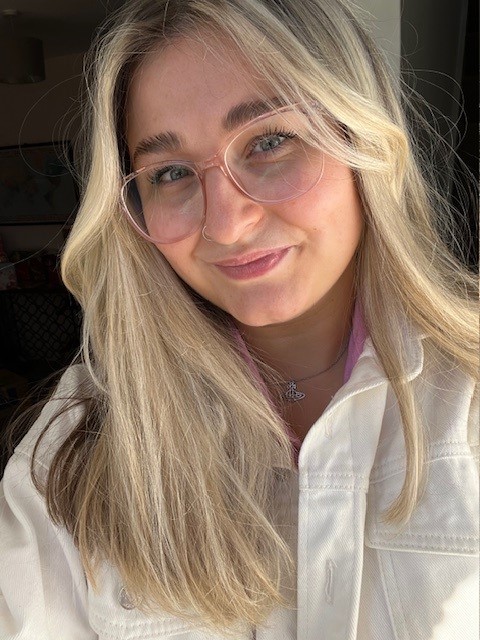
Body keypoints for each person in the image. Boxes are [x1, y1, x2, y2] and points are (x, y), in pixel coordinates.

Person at [1, 0, 478, 638]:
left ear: (360, 137)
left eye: (270, 142)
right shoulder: (75, 448)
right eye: (170, 173)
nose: (226, 224)